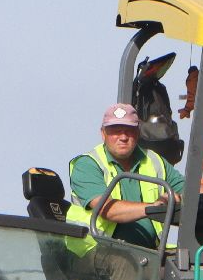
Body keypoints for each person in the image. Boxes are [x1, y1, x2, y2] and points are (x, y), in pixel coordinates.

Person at [69, 104, 185, 249]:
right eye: (115, 131)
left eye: (129, 131)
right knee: (127, 267)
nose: (123, 137)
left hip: (148, 252)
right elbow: (108, 210)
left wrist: (175, 198)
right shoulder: (87, 164)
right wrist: (153, 208)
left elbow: (188, 189)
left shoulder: (153, 160)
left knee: (190, 264)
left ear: (137, 133)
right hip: (96, 249)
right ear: (103, 133)